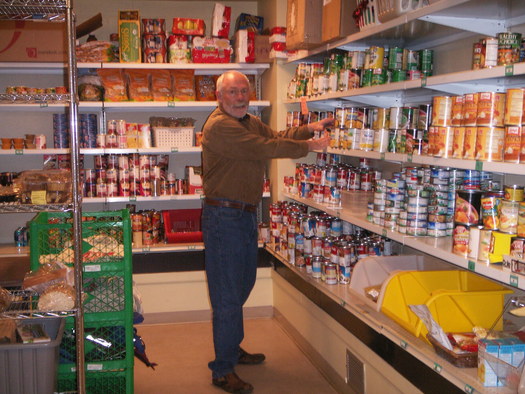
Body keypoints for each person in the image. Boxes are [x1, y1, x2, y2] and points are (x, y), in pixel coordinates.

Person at [201, 70, 332, 394]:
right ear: (220, 97)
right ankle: (222, 369)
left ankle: (230, 347)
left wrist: (307, 128)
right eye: (232, 92)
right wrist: (309, 145)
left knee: (241, 285)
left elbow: (274, 135)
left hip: (243, 215)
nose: (240, 97)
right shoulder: (221, 126)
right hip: (224, 216)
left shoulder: (248, 121)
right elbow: (267, 147)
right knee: (228, 295)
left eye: (244, 90)